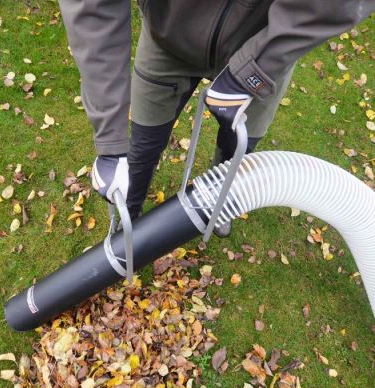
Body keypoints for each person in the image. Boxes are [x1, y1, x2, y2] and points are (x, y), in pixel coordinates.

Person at [59, 0, 374, 237]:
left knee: (238, 148)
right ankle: (129, 214)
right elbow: (91, 8)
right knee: (143, 144)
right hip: (168, 36)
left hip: (266, 43)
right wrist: (110, 142)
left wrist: (257, 67)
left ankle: (216, 205)